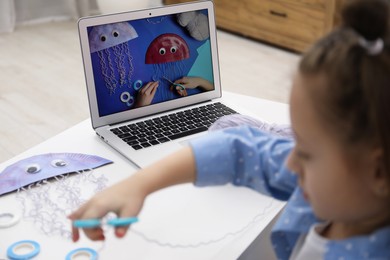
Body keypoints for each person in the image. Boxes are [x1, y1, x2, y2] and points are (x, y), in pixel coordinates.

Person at [69, 0, 390, 258]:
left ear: (378, 172)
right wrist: (138, 184)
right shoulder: (339, 185)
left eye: (305, 151)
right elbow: (241, 148)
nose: (290, 161)